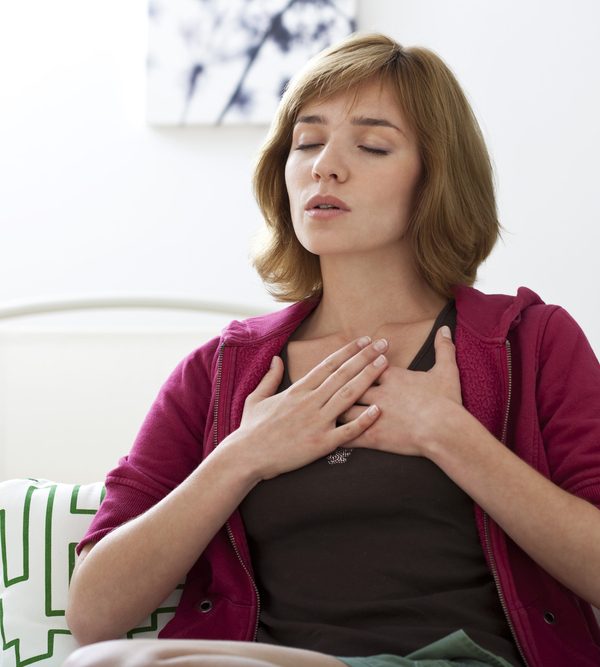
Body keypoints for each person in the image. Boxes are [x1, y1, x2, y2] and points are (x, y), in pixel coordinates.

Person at [63, 33, 600, 667]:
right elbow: (93, 614)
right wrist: (243, 456)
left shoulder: (529, 342)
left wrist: (449, 436)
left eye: (372, 145)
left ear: (436, 179)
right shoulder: (220, 371)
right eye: (307, 142)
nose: (325, 166)